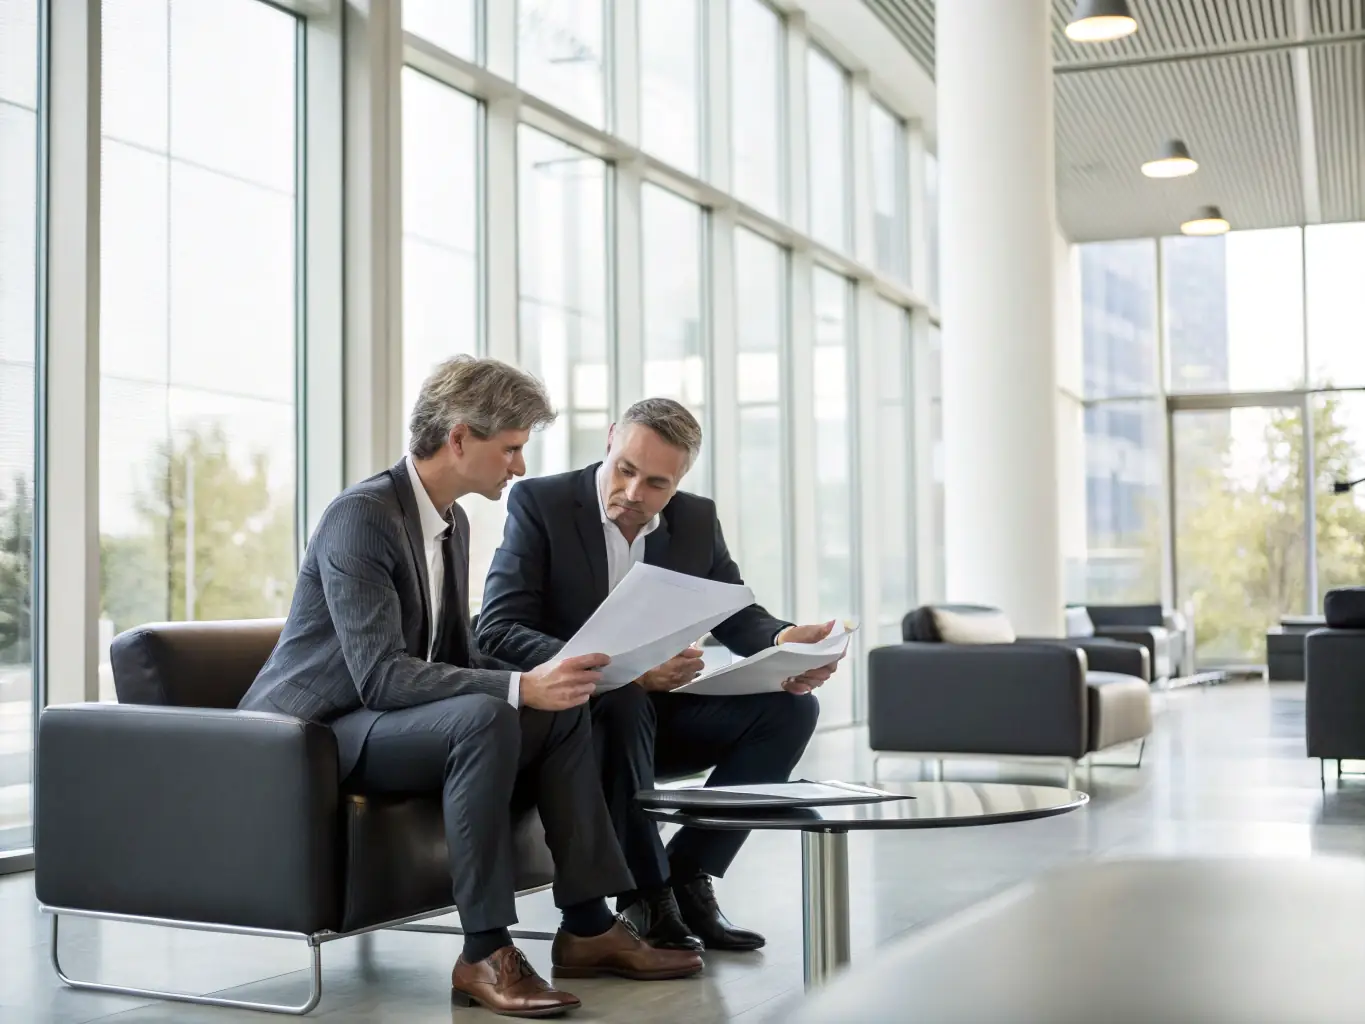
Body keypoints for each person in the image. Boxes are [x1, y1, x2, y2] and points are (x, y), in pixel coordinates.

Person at [238, 359, 701, 1018]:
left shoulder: (447, 522)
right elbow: (380, 673)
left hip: (388, 718)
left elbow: (451, 652)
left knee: (565, 704)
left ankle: (589, 926)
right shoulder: (362, 518)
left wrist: (558, 677)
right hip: (315, 731)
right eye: (510, 448)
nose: (518, 467)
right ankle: (484, 949)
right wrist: (516, 686)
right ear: (459, 439)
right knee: (488, 718)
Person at [476, 397, 841, 954]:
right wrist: (623, 670)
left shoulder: (695, 519)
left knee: (791, 709)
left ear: (680, 480)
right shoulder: (541, 503)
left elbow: (736, 613)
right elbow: (499, 629)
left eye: (656, 483)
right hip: (575, 718)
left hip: (652, 719)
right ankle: (646, 895)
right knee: (622, 701)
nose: (633, 494)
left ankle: (689, 873)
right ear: (609, 441)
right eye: (625, 470)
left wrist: (781, 641)